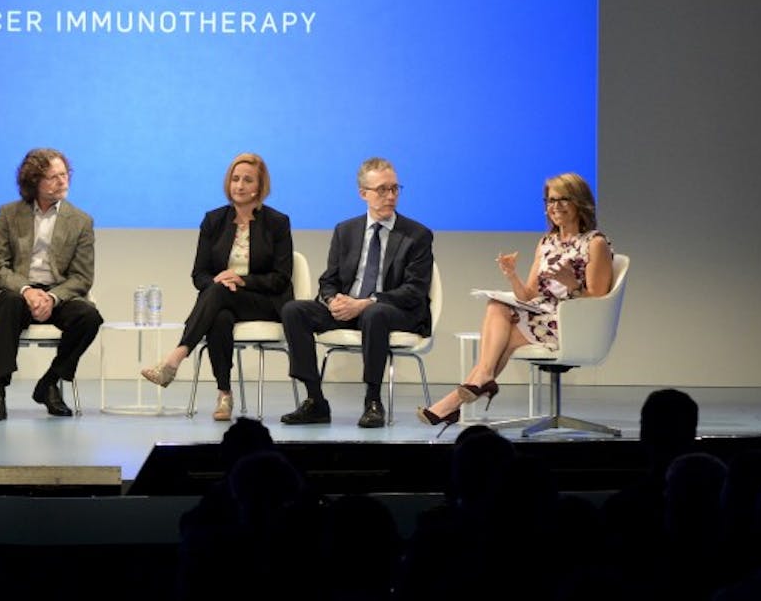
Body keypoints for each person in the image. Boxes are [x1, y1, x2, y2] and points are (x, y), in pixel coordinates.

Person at [416, 172, 613, 429]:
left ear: (580, 203)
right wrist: (511, 276)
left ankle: (455, 401)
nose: (555, 207)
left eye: (563, 200)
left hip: (571, 322)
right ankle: (476, 384)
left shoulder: (594, 243)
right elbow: (529, 295)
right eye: (550, 201)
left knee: (504, 341)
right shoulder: (546, 242)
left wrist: (572, 285)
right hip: (540, 315)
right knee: (497, 304)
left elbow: (598, 298)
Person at [279, 157, 435, 428]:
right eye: (382, 190)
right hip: (349, 309)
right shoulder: (346, 230)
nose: (390, 196)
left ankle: (373, 401)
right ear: (363, 193)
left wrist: (365, 303)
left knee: (375, 313)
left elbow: (414, 291)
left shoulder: (417, 235)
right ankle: (315, 401)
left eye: (395, 189)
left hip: (396, 311)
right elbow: (329, 280)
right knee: (294, 310)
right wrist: (333, 300)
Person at [140, 153, 294, 421]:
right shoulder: (213, 220)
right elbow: (199, 274)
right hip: (225, 300)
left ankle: (176, 356)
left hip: (266, 302)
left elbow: (281, 278)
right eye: (235, 179)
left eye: (247, 180)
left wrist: (241, 280)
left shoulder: (277, 223)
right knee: (219, 316)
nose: (240, 185)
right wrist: (220, 281)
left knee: (220, 291)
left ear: (260, 186)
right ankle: (224, 395)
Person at [0, 147, 103, 421]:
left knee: (90, 317)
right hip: (18, 290)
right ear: (34, 181)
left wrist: (52, 298)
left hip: (58, 294)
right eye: (53, 177)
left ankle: (50, 383)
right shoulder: (9, 214)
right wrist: (27, 290)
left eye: (64, 174)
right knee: (9, 303)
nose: (63, 181)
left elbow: (82, 277)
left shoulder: (81, 221)